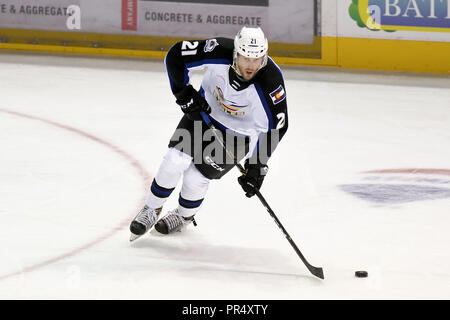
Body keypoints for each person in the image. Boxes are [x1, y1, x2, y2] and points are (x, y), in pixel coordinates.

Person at [129, 26, 288, 241]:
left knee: (196, 177)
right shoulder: (218, 50)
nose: (251, 66)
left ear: (264, 57)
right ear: (235, 53)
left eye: (256, 59)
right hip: (202, 115)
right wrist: (183, 93)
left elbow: (277, 127)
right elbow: (176, 55)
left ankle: (184, 217)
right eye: (245, 58)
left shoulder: (271, 82)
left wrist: (257, 166)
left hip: (238, 136)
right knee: (174, 160)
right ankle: (151, 209)